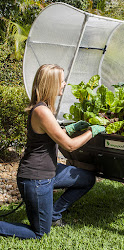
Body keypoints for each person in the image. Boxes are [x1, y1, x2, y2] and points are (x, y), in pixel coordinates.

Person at [0, 64, 105, 239]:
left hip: (50, 172)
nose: (64, 84)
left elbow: (52, 136)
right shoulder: (42, 112)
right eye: (61, 80)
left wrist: (71, 128)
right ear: (50, 84)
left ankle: (54, 213)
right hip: (36, 179)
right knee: (40, 233)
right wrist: (91, 131)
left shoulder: (44, 108)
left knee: (86, 179)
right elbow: (69, 146)